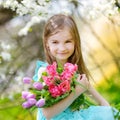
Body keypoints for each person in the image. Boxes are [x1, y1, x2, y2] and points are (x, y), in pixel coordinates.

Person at [33, 14, 117, 120]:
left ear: (75, 42)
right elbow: (47, 114)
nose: (62, 48)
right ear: (47, 44)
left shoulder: (76, 75)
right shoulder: (45, 73)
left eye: (67, 41)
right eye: (55, 42)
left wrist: (111, 115)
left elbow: (101, 102)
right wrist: (77, 92)